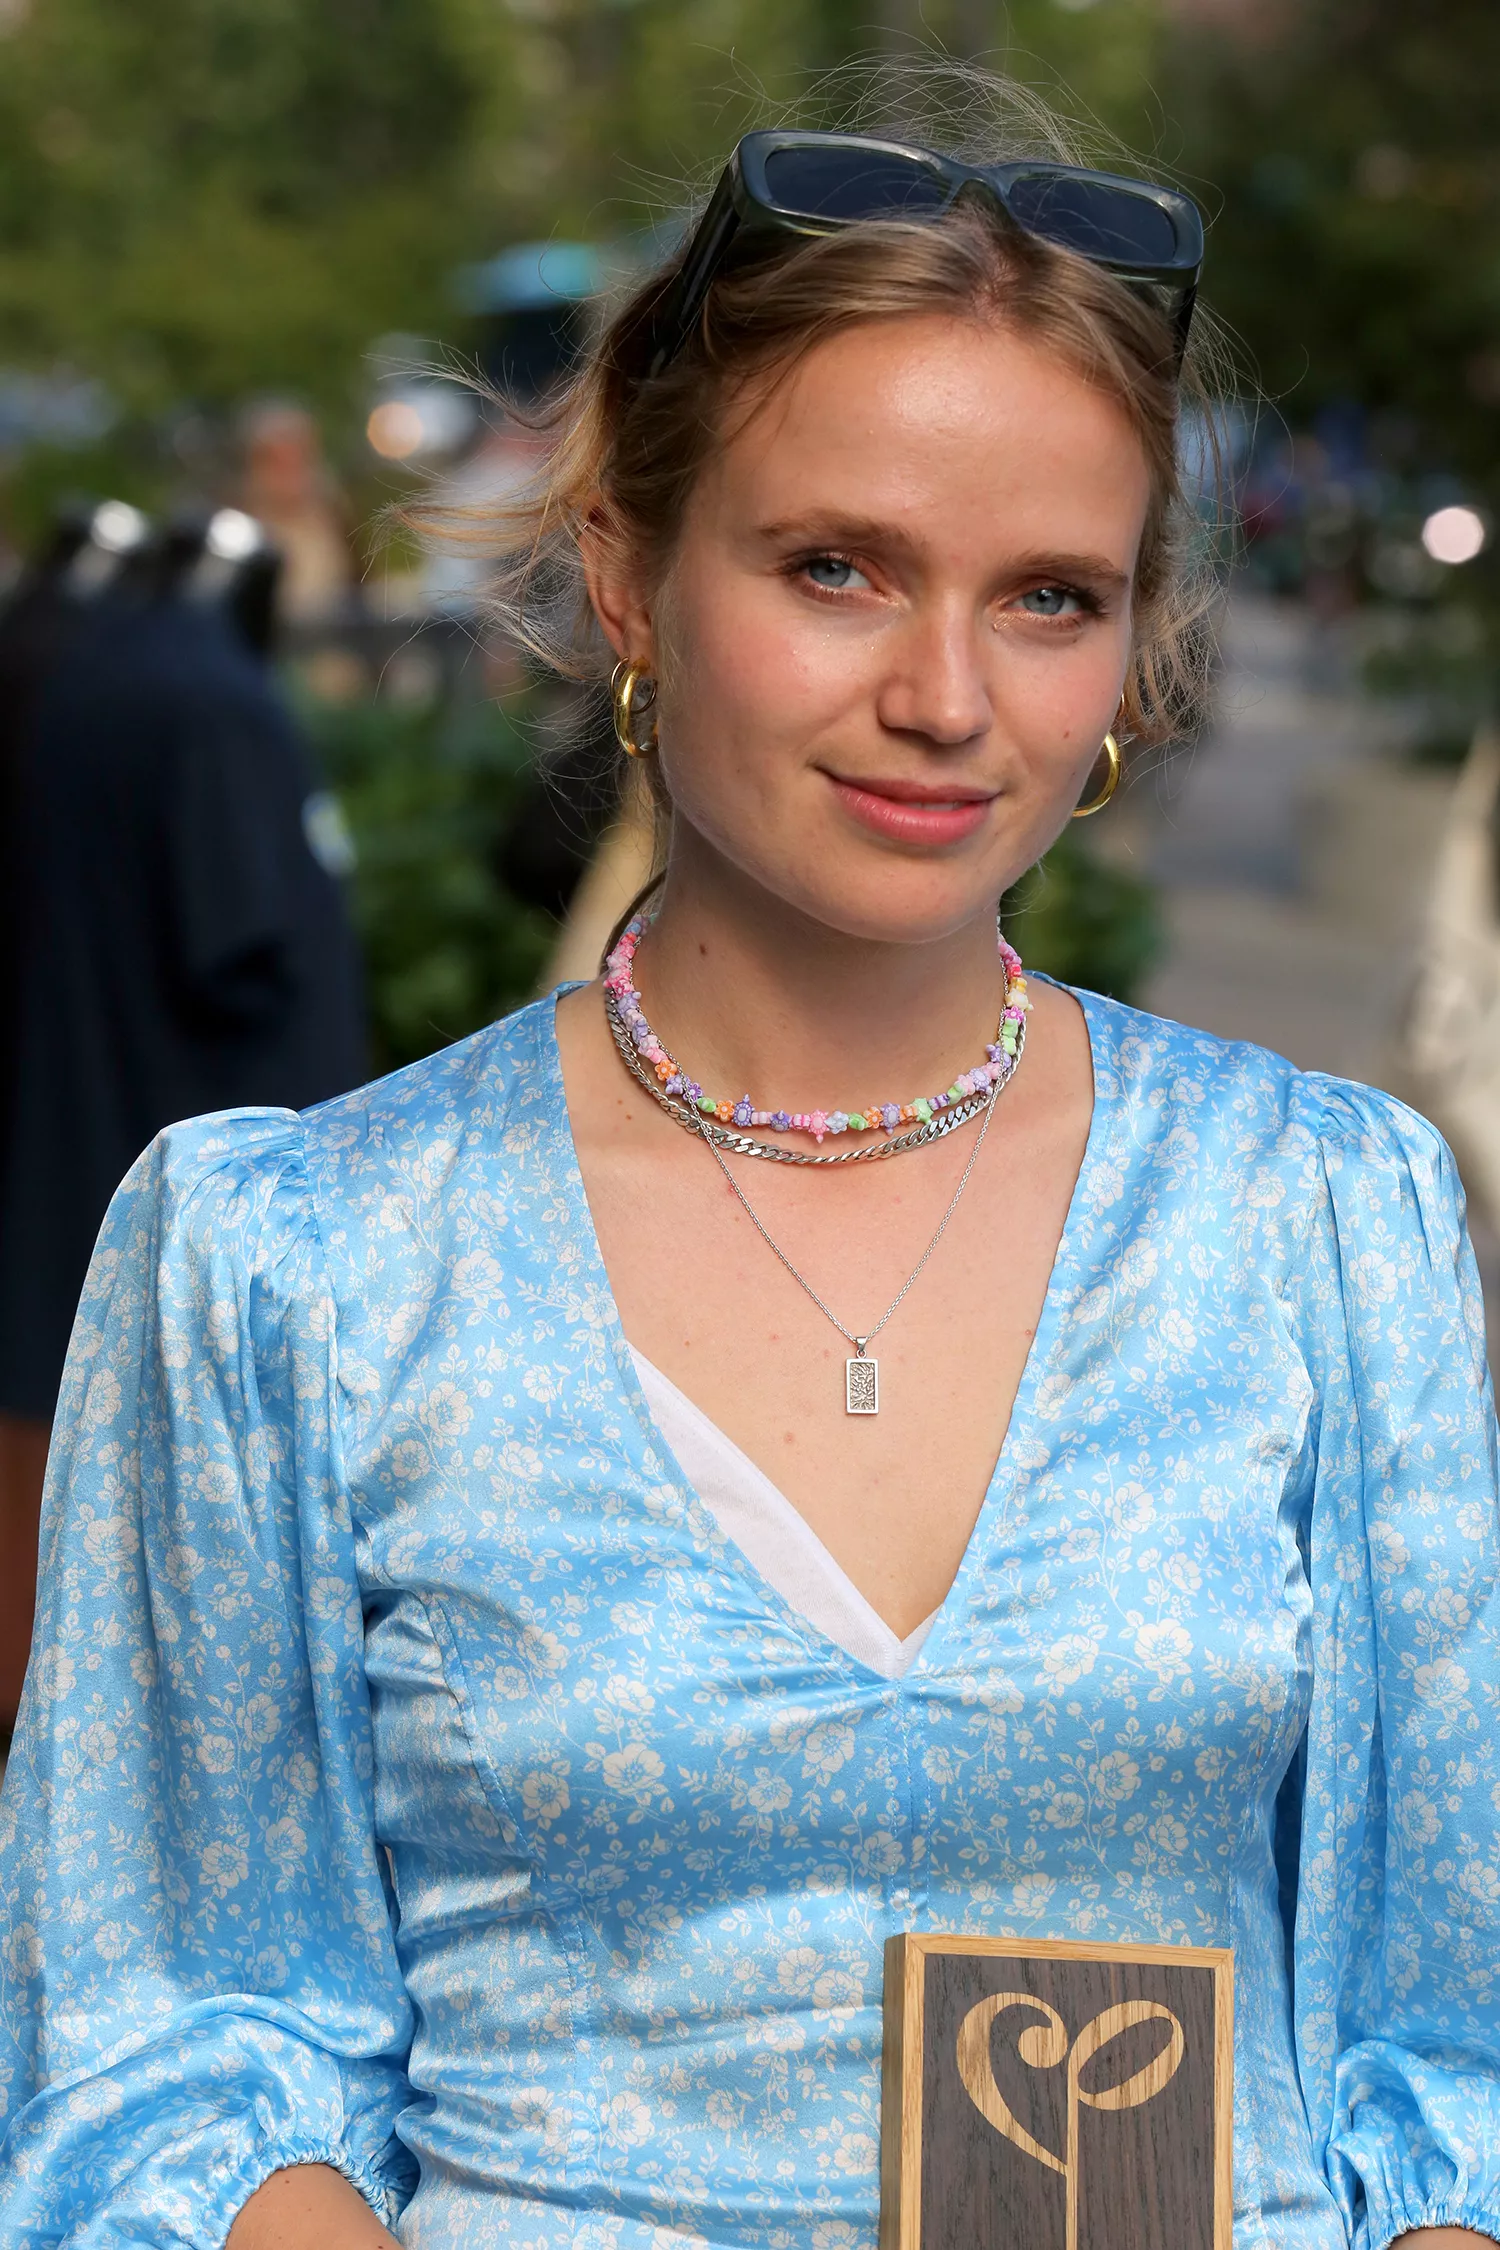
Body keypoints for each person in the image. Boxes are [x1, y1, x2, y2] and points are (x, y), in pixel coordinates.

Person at [1, 76, 1497, 2250]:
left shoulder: (1323, 1219)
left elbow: (1447, 2046)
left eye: (1049, 598)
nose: (946, 696)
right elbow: (170, 2047)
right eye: (835, 569)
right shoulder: (298, 1258)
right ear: (628, 571)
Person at [0, 521, 369, 1732]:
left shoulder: (80, 668)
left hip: (88, 1113)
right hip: (211, 1148)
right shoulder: (213, 706)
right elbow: (242, 941)